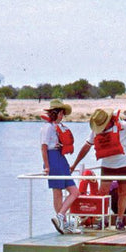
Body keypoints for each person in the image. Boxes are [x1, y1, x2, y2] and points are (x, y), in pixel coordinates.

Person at [69, 108, 126, 231]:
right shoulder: (96, 131)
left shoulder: (121, 125)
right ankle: (103, 218)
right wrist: (74, 164)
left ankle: (120, 220)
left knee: (123, 192)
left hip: (124, 163)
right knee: (103, 192)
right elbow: (87, 146)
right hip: (107, 165)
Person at [40, 99, 80, 234]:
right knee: (57, 192)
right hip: (52, 159)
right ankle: (62, 221)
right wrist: (47, 166)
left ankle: (60, 217)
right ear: (56, 113)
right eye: (61, 113)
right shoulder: (47, 127)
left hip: (61, 158)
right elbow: (44, 147)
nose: (63, 116)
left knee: (74, 191)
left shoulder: (59, 127)